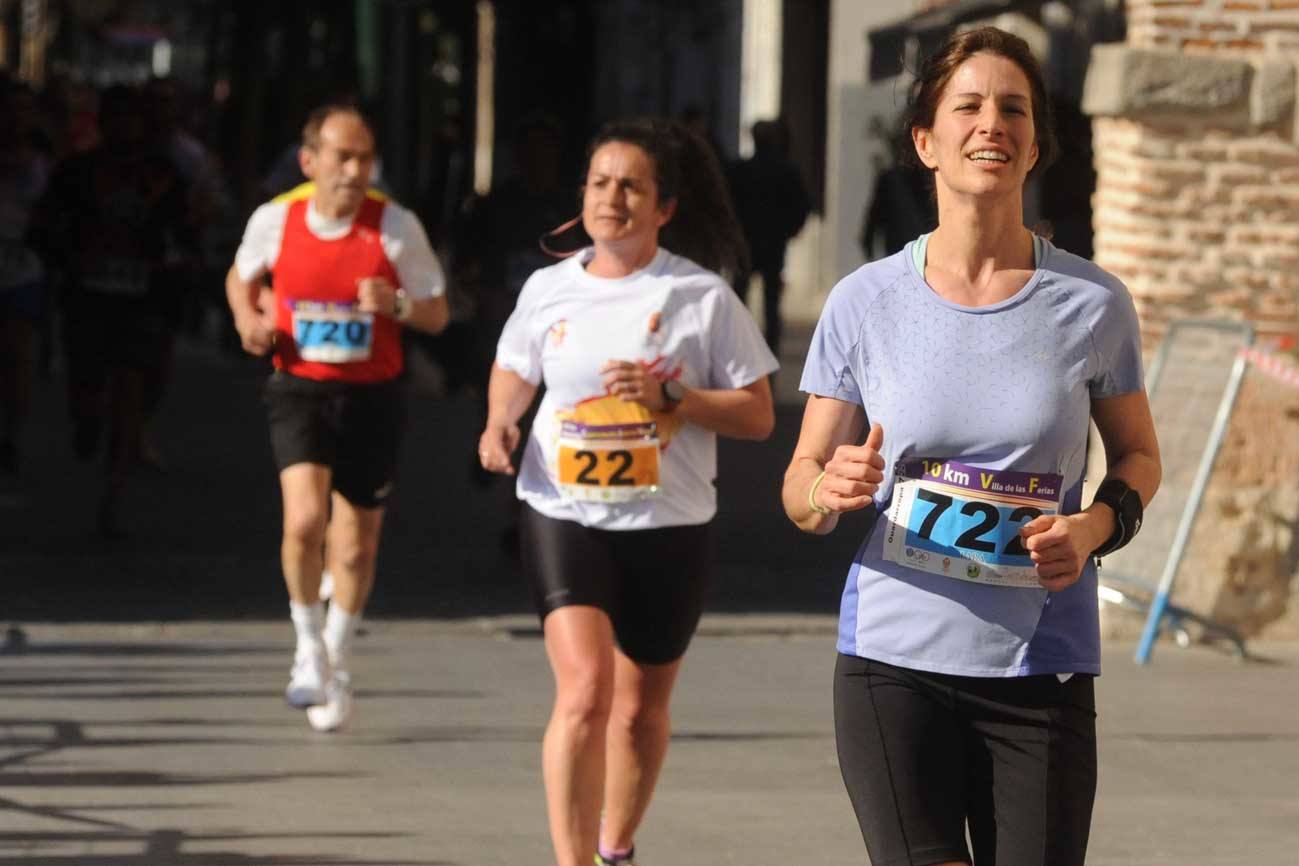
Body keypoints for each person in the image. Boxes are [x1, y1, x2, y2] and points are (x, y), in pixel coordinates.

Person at [782, 27, 1161, 866]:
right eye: (969, 106)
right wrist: (823, 489)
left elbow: (1139, 457)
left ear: (1034, 148)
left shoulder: (1092, 303)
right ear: (925, 141)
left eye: (1013, 109)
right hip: (891, 661)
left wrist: (1092, 529)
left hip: (1039, 665)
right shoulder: (864, 301)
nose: (992, 123)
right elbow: (800, 484)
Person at [478, 117, 776, 866]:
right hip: (563, 509)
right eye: (600, 183)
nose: (612, 199)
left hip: (669, 521)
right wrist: (500, 421)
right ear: (582, 196)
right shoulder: (548, 288)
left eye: (631, 187)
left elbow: (758, 414)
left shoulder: (701, 297)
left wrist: (673, 396)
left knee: (640, 711)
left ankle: (615, 847)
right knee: (584, 693)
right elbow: (515, 367)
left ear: (663, 207)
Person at [226, 105, 449, 732]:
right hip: (300, 387)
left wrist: (396, 304)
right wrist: (248, 321)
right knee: (303, 521)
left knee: (353, 549)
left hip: (373, 395)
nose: (354, 171)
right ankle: (306, 645)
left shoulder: (395, 226)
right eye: (342, 157)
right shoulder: (276, 220)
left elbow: (437, 313)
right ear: (310, 161)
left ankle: (336, 658)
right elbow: (240, 279)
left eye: (365, 159)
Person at [30, 84, 191, 536]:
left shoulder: (163, 174)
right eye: (117, 119)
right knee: (86, 384)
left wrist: (178, 261)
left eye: (133, 120)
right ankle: (86, 422)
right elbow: (45, 225)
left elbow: (184, 230)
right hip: (88, 297)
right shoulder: (76, 172)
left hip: (143, 300)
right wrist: (66, 258)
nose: (125, 129)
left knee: (136, 385)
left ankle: (115, 487)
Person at [729, 118, 810, 353]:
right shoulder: (785, 170)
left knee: (740, 299)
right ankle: (769, 350)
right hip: (771, 243)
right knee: (770, 302)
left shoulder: (741, 171)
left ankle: (737, 347)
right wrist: (789, 230)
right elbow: (802, 205)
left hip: (747, 243)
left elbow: (727, 206)